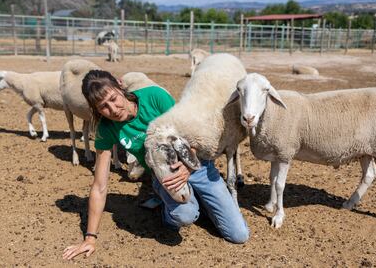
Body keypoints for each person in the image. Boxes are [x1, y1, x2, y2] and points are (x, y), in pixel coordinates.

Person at [63, 70, 249, 260]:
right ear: (95, 108)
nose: (113, 109)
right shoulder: (106, 129)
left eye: (113, 98)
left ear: (120, 85)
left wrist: (189, 166)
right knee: (185, 214)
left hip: (196, 164)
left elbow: (191, 136)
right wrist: (90, 238)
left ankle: (200, 199)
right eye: (103, 106)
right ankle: (167, 208)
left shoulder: (154, 97)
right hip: (164, 175)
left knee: (239, 235)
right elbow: (100, 187)